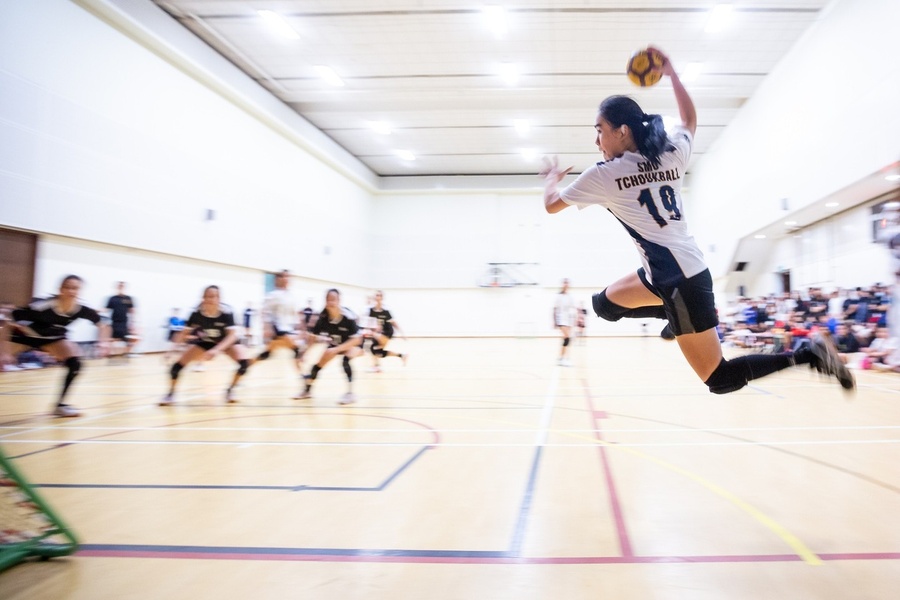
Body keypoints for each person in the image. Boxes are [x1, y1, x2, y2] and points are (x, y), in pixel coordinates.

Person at [540, 46, 854, 394]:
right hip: (670, 271)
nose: (595, 139)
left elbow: (552, 205)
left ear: (622, 131)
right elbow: (688, 120)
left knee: (718, 378)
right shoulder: (670, 153)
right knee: (604, 306)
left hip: (678, 281)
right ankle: (671, 317)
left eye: (599, 130)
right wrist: (672, 72)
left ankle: (809, 356)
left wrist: (551, 178)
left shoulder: (605, 174)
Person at [0, 275, 110, 417]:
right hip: (24, 337)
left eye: (75, 288)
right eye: (67, 287)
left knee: (75, 364)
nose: (71, 291)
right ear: (60, 289)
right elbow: (7, 320)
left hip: (52, 338)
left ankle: (60, 406)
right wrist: (4, 352)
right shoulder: (43, 306)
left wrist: (103, 342)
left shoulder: (80, 309)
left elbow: (104, 324)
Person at [160, 285, 252, 406]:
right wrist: (171, 350)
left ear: (219, 298)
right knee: (176, 367)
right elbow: (183, 333)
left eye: (214, 296)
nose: (210, 299)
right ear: (203, 298)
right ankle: (170, 394)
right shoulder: (196, 313)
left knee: (244, 364)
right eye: (207, 296)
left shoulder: (226, 312)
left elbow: (232, 336)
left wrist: (216, 350)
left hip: (225, 342)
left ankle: (230, 390)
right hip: (206, 341)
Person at [296, 288, 363, 405]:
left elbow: (357, 340)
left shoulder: (348, 316)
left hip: (353, 344)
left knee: (345, 361)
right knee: (317, 366)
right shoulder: (322, 317)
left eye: (333, 300)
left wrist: (336, 349)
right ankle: (307, 391)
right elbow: (312, 337)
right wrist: (304, 353)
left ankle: (350, 393)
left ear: (339, 301)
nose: (330, 303)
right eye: (328, 300)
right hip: (335, 344)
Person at [252, 270, 306, 373]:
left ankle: (245, 367)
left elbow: (298, 314)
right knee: (297, 352)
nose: (286, 279)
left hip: (289, 331)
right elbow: (264, 312)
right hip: (278, 331)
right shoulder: (273, 295)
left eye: (288, 277)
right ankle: (305, 380)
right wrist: (266, 328)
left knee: (266, 354)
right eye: (284, 277)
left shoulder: (291, 296)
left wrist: (302, 330)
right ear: (278, 279)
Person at [364, 290, 408, 372]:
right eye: (376, 295)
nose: (377, 297)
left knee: (373, 348)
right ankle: (402, 356)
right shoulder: (371, 311)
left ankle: (376, 366)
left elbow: (394, 322)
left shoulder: (385, 311)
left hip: (387, 332)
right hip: (378, 333)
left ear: (382, 298)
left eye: (379, 295)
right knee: (378, 351)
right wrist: (369, 329)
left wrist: (402, 333)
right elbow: (369, 322)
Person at [105, 281, 138, 360]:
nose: (121, 287)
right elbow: (106, 309)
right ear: (117, 287)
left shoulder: (128, 299)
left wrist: (133, 323)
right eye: (119, 286)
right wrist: (96, 311)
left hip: (124, 323)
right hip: (114, 322)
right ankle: (111, 355)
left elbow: (132, 311)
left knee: (129, 340)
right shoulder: (112, 298)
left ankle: (126, 353)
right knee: (111, 339)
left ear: (124, 287)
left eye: (122, 286)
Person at [553, 278, 576, 366]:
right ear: (562, 285)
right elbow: (554, 309)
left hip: (568, 320)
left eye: (567, 283)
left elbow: (573, 308)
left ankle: (562, 358)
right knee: (567, 338)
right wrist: (554, 321)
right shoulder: (558, 296)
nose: (566, 285)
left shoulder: (569, 296)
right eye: (564, 283)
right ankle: (562, 359)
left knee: (567, 339)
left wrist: (574, 319)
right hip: (560, 319)